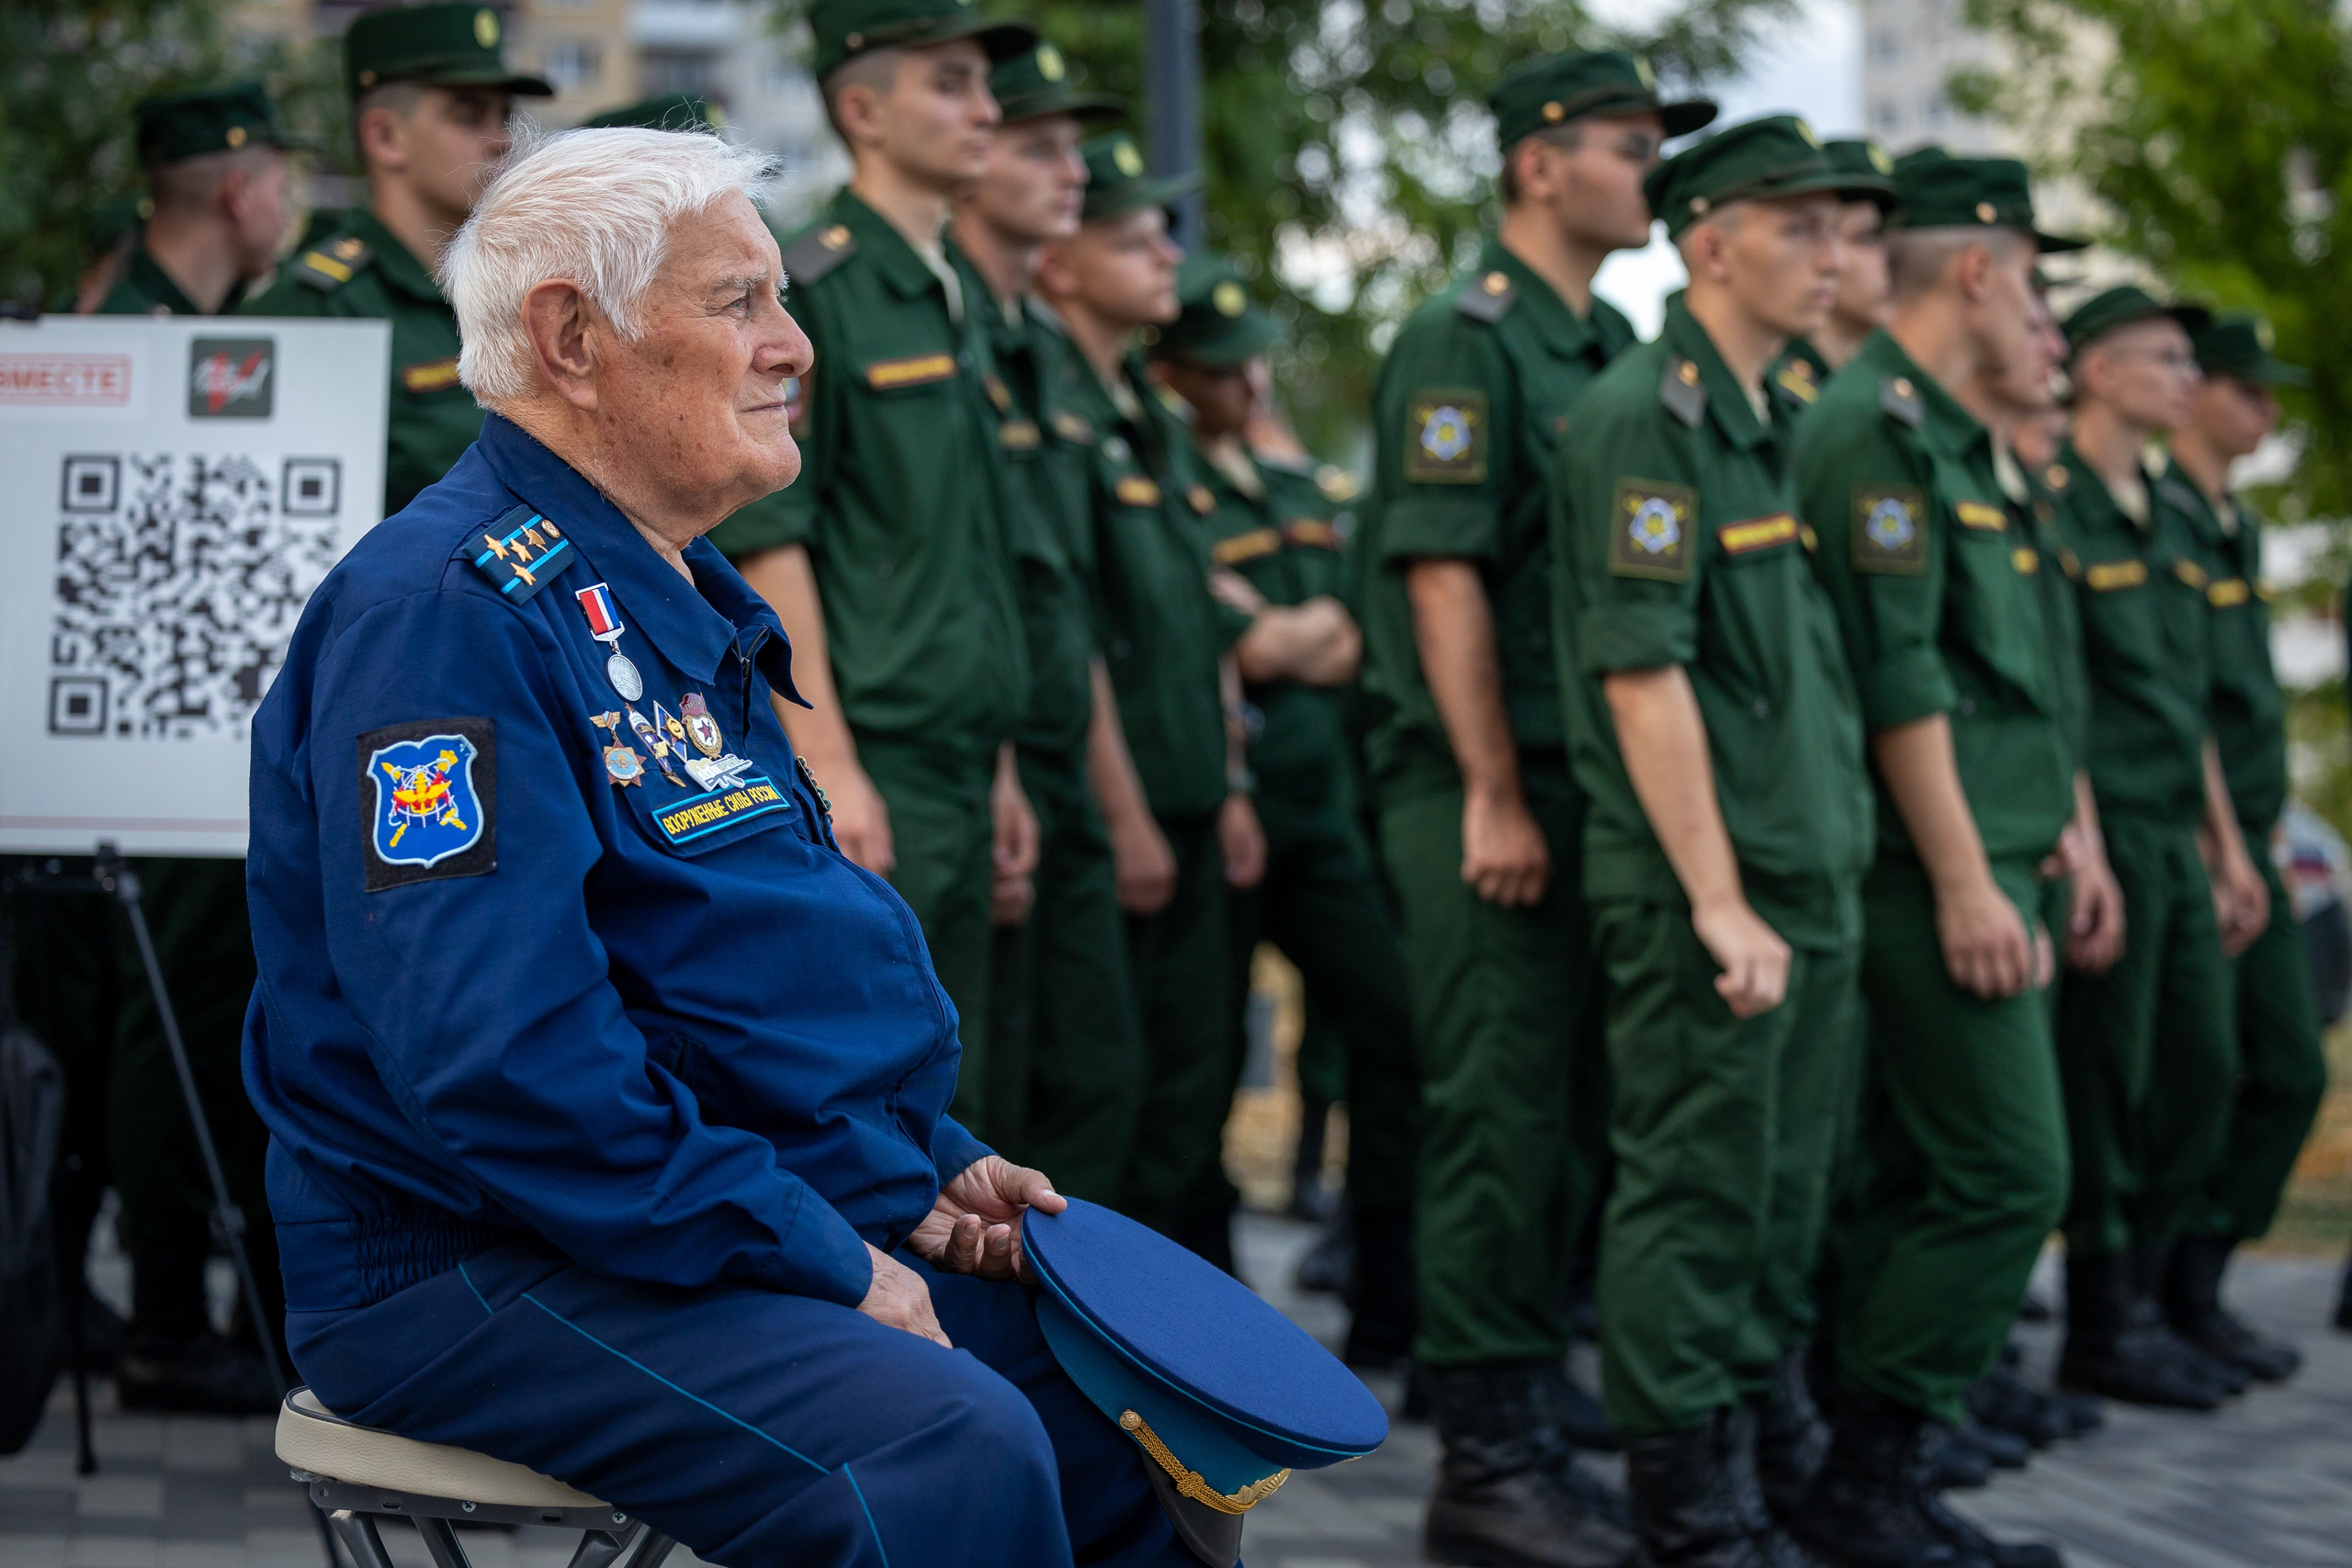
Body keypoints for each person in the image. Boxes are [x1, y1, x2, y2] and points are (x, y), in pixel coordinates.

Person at [243, 125, 1223, 1568]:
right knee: (943, 1445)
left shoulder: (660, 585)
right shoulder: (446, 618)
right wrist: (819, 1244)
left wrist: (918, 1166)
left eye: (780, 297)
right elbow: (506, 1067)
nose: (795, 344)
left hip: (665, 1207)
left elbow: (724, 980)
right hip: (474, 1260)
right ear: (572, 339)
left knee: (1142, 1407)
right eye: (737, 301)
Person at [1357, 51, 1713, 1568]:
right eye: (1630, 144)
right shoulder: (1467, 336)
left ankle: (1530, 1407)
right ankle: (1486, 1464)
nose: (1653, 172)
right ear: (1538, 164)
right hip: (1480, 783)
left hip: (1583, 777)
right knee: (1498, 1112)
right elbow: (1442, 574)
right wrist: (1492, 788)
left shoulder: (1604, 341)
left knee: (1566, 1111)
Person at [1552, 115, 1883, 1568]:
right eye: (1799, 225)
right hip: (1714, 885)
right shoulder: (1652, 415)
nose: (1833, 253)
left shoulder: (1772, 411)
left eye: (1841, 227)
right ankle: (1687, 1507)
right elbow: (1643, 670)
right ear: (1712, 242)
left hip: (1802, 868)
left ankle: (1753, 1457)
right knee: (1698, 1189)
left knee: (1782, 1186)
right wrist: (1717, 896)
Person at [1788, 152, 2086, 1568]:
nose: (2038, 311)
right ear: (1977, 269)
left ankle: (1874, 1473)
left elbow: (2001, 677)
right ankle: (1865, 1464)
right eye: (2030, 280)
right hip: (1927, 871)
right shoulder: (1876, 429)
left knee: (1932, 1170)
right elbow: (1899, 681)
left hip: (1992, 852)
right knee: (2014, 1169)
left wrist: (2048, 831)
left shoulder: (1945, 433)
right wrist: (1968, 878)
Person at [712, 0, 1037, 1139]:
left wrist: (1002, 766)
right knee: (889, 1102)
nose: (986, 110)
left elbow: (975, 558)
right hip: (881, 755)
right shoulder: (817, 290)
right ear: (861, 109)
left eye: (982, 84)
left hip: (966, 755)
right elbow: (775, 537)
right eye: (950, 83)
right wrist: (832, 764)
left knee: (973, 1093)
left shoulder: (962, 297)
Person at [68, 81, 310, 1413]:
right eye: (281, 178)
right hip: (149, 750)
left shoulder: (192, 326)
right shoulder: (134, 340)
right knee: (171, 1015)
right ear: (236, 188)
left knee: (200, 1012)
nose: (288, 204)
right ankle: (165, 1316)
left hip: (194, 731)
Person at [1149, 254, 1422, 1367]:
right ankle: (1207, 1332)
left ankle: (1390, 1304)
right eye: (1221, 370)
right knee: (1199, 1067)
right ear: (1173, 376)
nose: (1248, 385)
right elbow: (1244, 643)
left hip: (1323, 817)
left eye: (1252, 365)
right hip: (1221, 815)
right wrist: (1277, 635)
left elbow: (1343, 637)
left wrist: (1275, 633)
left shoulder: (1302, 490)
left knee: (1398, 1027)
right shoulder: (1163, 486)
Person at [1032, 132, 1267, 1269]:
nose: (1168, 255)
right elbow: (1074, 630)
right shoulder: (1054, 405)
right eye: (1132, 240)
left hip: (1190, 794)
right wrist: (1125, 817)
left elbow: (1197, 615)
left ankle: (1180, 1328)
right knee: (1104, 1087)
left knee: (1192, 1080)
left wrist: (1232, 778)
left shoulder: (1151, 417)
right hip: (1107, 809)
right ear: (1064, 265)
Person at [2049, 285, 2267, 1410]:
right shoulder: (2057, 504)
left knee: (2197, 1068)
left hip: (2177, 830)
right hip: (2114, 831)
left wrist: (2226, 848)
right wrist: (2087, 843)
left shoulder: (2172, 520)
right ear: (2101, 372)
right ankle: (2101, 1318)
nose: (2190, 381)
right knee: (2106, 1084)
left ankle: (2147, 1299)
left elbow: (2191, 709)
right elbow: (2063, 700)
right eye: (2167, 360)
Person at [945, 42, 1146, 1197]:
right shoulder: (935, 316)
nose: (1073, 172)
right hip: (949, 756)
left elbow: (1056, 593)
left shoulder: (1029, 347)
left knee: (1080, 1074)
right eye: (1041, 147)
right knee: (977, 1090)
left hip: (1038, 754)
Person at [2159, 311, 2326, 1381]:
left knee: (2287, 1069)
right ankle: (2148, 1301)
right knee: (2192, 1072)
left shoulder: (2234, 525)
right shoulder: (2162, 517)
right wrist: (2219, 843)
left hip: (2249, 839)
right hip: (2185, 837)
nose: (2264, 411)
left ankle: (2199, 1278)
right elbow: (2178, 707)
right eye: (2245, 389)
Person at [243, 2, 550, 516]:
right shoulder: (318, 307)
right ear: (385, 138)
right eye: (469, 115)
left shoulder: (518, 294)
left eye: (505, 116)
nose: (501, 140)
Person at [1768, 137, 1894, 418]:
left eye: (1889, 238)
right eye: (1866, 238)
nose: (1889, 260)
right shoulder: (1779, 394)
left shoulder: (1887, 383)